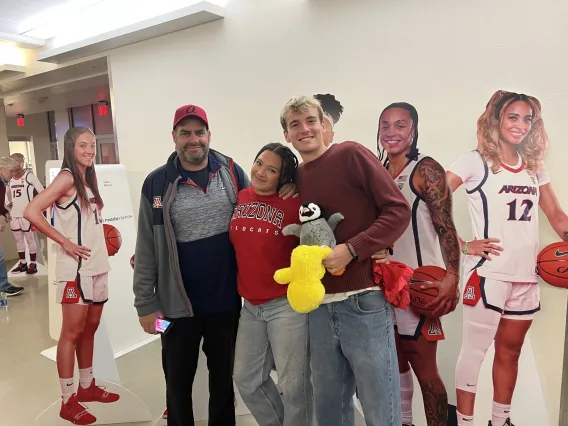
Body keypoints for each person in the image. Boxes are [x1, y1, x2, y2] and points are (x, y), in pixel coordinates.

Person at [133, 104, 296, 426]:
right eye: (185, 133)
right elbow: (146, 246)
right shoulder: (156, 183)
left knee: (224, 382)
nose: (193, 140)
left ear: (209, 135)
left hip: (226, 305)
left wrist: (289, 187)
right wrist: (145, 304)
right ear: (174, 138)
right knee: (176, 384)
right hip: (175, 309)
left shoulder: (231, 171)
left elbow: (260, 199)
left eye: (199, 132)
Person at [280, 95, 411, 426]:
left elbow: (397, 210)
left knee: (380, 408)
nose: (304, 129)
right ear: (287, 135)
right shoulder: (299, 178)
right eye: (295, 124)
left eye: (311, 121)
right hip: (320, 306)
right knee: (330, 409)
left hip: (363, 301)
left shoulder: (351, 154)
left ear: (325, 126)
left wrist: (354, 248)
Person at [446, 90, 568, 426]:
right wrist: (464, 245)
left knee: (509, 351)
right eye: (512, 117)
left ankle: (499, 421)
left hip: (527, 275)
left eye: (527, 118)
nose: (520, 125)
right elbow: (431, 201)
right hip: (489, 274)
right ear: (496, 119)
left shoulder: (533, 166)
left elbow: (556, 214)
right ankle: (466, 422)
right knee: (474, 351)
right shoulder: (474, 161)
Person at [24, 126, 119, 425]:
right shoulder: (66, 177)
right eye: (83, 145)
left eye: (92, 144)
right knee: (71, 333)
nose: (89, 150)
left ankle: (87, 386)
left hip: (96, 267)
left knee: (89, 329)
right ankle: (68, 401)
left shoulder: (87, 179)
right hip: (75, 271)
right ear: (70, 148)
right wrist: (63, 241)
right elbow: (31, 210)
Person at [377, 102, 461, 426]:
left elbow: (446, 227)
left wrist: (453, 274)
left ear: (413, 129)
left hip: (419, 286)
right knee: (394, 364)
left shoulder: (426, 170)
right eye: (386, 125)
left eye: (400, 125)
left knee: (425, 370)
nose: (392, 132)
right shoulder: (378, 170)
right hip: (384, 286)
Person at [230, 142, 313, 426]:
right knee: (246, 379)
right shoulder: (240, 196)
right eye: (259, 163)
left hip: (286, 306)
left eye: (272, 169)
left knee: (294, 386)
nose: (261, 172)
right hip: (250, 307)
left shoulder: (295, 202)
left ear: (284, 177)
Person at [8, 153, 44, 275]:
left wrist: (36, 207)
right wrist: (7, 207)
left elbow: (42, 192)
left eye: (17, 161)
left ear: (22, 162)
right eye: (12, 161)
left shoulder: (29, 176)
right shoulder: (9, 178)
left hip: (26, 214)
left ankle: (32, 264)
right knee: (19, 240)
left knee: (30, 239)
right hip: (14, 214)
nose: (15, 163)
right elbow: (4, 194)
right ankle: (22, 263)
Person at [0, 157, 24, 296]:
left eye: (15, 171)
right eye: (11, 171)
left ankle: (4, 285)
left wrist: (4, 213)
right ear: (1, 169)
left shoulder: (3, 183)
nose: (13, 174)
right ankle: (4, 286)